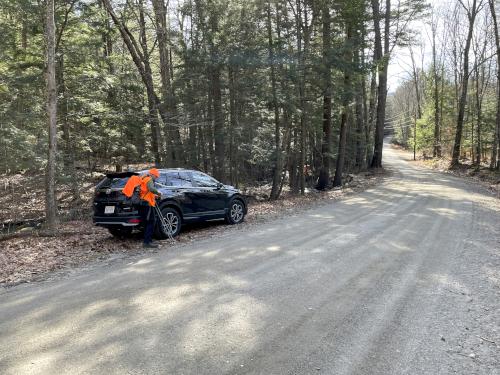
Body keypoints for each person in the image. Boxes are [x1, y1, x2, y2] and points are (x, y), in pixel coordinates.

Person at [140, 168, 161, 248]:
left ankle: (148, 240)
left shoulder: (144, 178)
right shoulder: (149, 179)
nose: (156, 177)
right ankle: (147, 242)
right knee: (151, 222)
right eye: (156, 176)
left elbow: (146, 191)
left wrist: (154, 196)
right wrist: (158, 193)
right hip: (148, 204)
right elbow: (151, 189)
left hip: (143, 203)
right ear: (152, 174)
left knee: (147, 223)